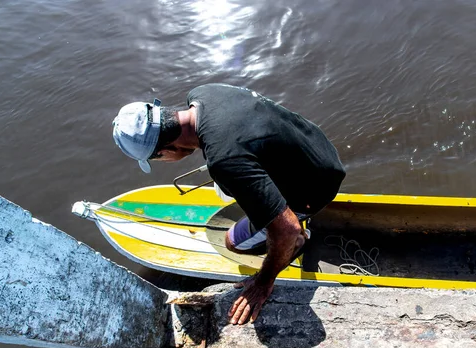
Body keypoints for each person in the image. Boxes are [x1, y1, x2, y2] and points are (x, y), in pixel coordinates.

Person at [112, 83, 345, 324]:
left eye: (157, 160)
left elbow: (287, 228)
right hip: (319, 147)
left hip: (317, 187)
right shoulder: (204, 93)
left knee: (233, 242)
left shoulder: (223, 161)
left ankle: (299, 243)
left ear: (165, 150)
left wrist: (263, 282)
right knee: (230, 179)